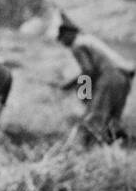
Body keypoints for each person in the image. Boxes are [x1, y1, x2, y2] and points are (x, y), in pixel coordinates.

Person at [57, 14, 134, 145]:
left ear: (68, 33)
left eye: (61, 38)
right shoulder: (89, 40)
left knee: (92, 122)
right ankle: (124, 149)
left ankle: (88, 151)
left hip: (110, 78)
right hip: (125, 79)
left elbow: (88, 70)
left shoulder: (77, 45)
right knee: (112, 124)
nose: (62, 43)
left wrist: (70, 86)